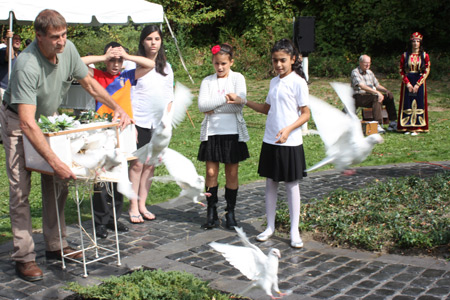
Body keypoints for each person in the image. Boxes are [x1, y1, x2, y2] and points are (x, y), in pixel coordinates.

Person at [0, 9, 132, 282]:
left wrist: (117, 107)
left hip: (48, 118)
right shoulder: (26, 64)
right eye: (54, 37)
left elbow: (90, 84)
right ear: (38, 37)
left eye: (64, 35)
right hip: (18, 121)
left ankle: (56, 245)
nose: (61, 42)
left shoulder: (68, 49)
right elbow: (26, 123)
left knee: (57, 185)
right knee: (20, 192)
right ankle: (24, 257)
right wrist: (55, 162)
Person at [232, 38, 309, 248]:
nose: (278, 65)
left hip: (290, 142)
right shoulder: (274, 81)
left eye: (283, 60)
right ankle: (270, 227)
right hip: (270, 140)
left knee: (292, 185)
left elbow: (305, 114)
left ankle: (294, 231)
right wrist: (243, 101)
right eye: (275, 60)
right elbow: (267, 109)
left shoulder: (298, 82)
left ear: (293, 59)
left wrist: (288, 129)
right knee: (270, 183)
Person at [81, 42, 155, 237]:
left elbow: (150, 64)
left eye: (118, 60)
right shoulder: (97, 76)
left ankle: (114, 218)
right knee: (101, 178)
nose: (115, 64)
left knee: (120, 176)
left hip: (123, 131)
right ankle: (100, 222)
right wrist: (102, 57)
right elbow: (78, 63)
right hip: (103, 131)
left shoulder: (127, 75)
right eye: (112, 60)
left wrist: (127, 57)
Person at [197, 43, 250, 230]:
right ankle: (211, 212)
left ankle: (230, 212)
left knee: (232, 173)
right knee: (211, 172)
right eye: (216, 64)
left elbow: (238, 105)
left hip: (232, 131)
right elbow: (202, 106)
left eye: (224, 64)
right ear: (213, 63)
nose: (220, 68)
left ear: (231, 62)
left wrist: (215, 107)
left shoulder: (238, 78)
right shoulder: (207, 81)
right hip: (212, 132)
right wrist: (224, 99)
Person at [128, 25, 174, 224]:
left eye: (156, 38)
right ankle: (132, 206)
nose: (153, 42)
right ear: (142, 41)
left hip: (158, 123)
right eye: (149, 39)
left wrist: (166, 123)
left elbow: (169, 97)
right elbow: (127, 94)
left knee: (150, 165)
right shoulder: (133, 66)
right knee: (137, 164)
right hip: (139, 121)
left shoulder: (166, 67)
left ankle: (142, 204)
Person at [350, 55, 398, 133]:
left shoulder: (370, 72)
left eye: (369, 63)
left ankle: (392, 122)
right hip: (359, 96)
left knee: (389, 97)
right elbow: (361, 86)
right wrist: (377, 92)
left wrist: (386, 91)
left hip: (371, 95)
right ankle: (377, 124)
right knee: (376, 97)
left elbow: (377, 85)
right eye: (366, 63)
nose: (368, 65)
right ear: (360, 63)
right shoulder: (355, 72)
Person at [397, 32, 431, 135]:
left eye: (418, 41)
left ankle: (417, 127)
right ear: (411, 43)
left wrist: (418, 84)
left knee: (418, 102)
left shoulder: (424, 55)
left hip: (419, 81)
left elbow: (427, 70)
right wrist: (407, 83)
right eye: (414, 41)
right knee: (407, 101)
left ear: (420, 43)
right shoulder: (405, 55)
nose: (416, 43)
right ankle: (407, 126)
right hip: (408, 80)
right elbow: (401, 69)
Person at [0, 30, 22, 100]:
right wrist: (9, 40)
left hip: (17, 89)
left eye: (19, 39)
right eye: (15, 39)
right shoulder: (3, 51)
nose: (18, 41)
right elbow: (10, 56)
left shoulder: (21, 54)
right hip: (4, 88)